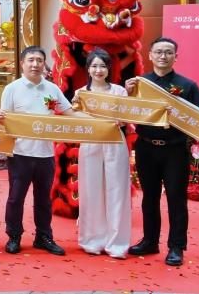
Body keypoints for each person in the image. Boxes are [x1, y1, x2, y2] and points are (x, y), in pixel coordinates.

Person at [125, 37, 199, 267]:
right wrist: (128, 94)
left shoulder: (188, 85)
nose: (163, 56)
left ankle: (176, 246)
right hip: (146, 147)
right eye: (159, 51)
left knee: (176, 198)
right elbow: (126, 112)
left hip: (175, 150)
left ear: (175, 57)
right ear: (150, 55)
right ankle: (150, 241)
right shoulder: (139, 84)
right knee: (149, 197)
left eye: (169, 52)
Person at [0, 45, 78, 256]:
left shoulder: (52, 89)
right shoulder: (12, 89)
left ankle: (43, 236)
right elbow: (4, 122)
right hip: (20, 153)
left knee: (43, 199)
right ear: (22, 63)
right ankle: (14, 235)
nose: (35, 64)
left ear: (44, 64)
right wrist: (0, 119)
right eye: (30, 60)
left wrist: (96, 122)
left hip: (45, 154)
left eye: (39, 60)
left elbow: (69, 113)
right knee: (16, 198)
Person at [73, 48, 131, 259]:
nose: (98, 70)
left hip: (115, 142)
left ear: (109, 69)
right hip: (90, 143)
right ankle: (92, 240)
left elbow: (125, 118)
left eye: (103, 66)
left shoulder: (119, 91)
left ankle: (117, 243)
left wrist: (118, 120)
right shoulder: (81, 93)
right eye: (94, 66)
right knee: (91, 190)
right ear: (88, 69)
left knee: (117, 190)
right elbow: (75, 117)